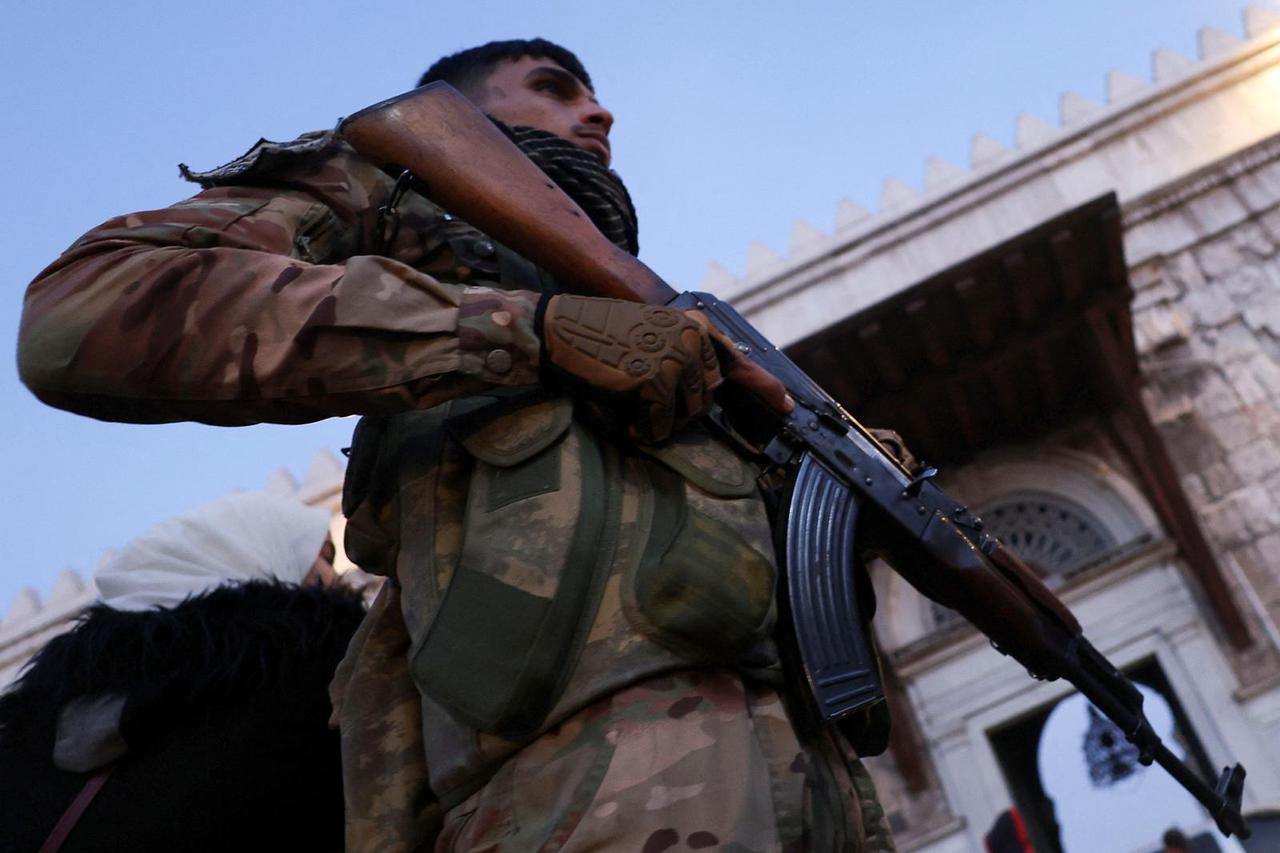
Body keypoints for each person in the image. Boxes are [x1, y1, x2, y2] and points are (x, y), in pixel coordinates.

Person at [18, 39, 899, 851]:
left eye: (595, 97)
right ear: (462, 118)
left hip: (820, 795)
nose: (598, 115)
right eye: (554, 90)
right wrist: (522, 331)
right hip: (582, 792)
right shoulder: (391, 192)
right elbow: (88, 312)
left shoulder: (669, 324)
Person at [0, 491, 365, 852]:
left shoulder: (32, 742)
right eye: (321, 558)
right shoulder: (315, 669)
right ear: (255, 550)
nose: (335, 576)